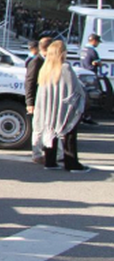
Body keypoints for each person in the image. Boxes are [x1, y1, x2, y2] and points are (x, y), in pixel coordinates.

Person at [34, 40, 90, 173]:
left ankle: (50, 162)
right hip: (64, 108)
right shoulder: (65, 68)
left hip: (48, 108)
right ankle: (72, 164)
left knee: (50, 132)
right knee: (69, 134)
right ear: (62, 52)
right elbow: (75, 90)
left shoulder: (45, 69)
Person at [25, 38, 51, 164]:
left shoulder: (46, 61)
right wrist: (30, 102)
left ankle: (47, 152)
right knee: (39, 127)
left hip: (45, 99)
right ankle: (37, 153)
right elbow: (29, 82)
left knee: (45, 127)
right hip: (37, 99)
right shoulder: (36, 61)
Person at [80, 33, 102, 124]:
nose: (98, 44)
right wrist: (98, 63)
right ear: (93, 41)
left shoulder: (83, 50)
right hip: (90, 76)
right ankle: (86, 117)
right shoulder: (92, 51)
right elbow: (98, 63)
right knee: (90, 98)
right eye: (97, 42)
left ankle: (83, 116)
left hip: (83, 75)